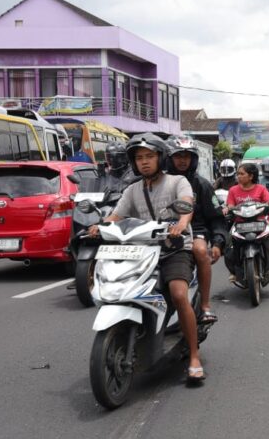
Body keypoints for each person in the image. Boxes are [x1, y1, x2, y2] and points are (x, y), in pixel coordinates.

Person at [87, 133, 206, 383]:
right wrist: (100, 225)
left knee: (178, 293)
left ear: (160, 158)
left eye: (149, 156)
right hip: (140, 249)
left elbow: (187, 205)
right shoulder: (132, 190)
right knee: (121, 286)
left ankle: (194, 356)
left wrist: (181, 223)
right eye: (139, 158)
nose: (144, 162)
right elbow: (117, 216)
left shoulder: (177, 181)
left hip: (174, 248)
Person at [164, 135, 228, 324]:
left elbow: (216, 218)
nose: (183, 160)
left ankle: (205, 306)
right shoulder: (158, 181)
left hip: (195, 230)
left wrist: (217, 242)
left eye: (187, 156)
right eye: (178, 156)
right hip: (160, 231)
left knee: (200, 251)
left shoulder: (202, 185)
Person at [226, 162, 269, 273]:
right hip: (239, 223)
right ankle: (234, 268)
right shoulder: (233, 190)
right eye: (238, 174)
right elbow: (230, 205)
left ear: (251, 176)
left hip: (259, 221)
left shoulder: (261, 189)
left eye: (242, 174)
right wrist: (228, 209)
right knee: (229, 239)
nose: (239, 176)